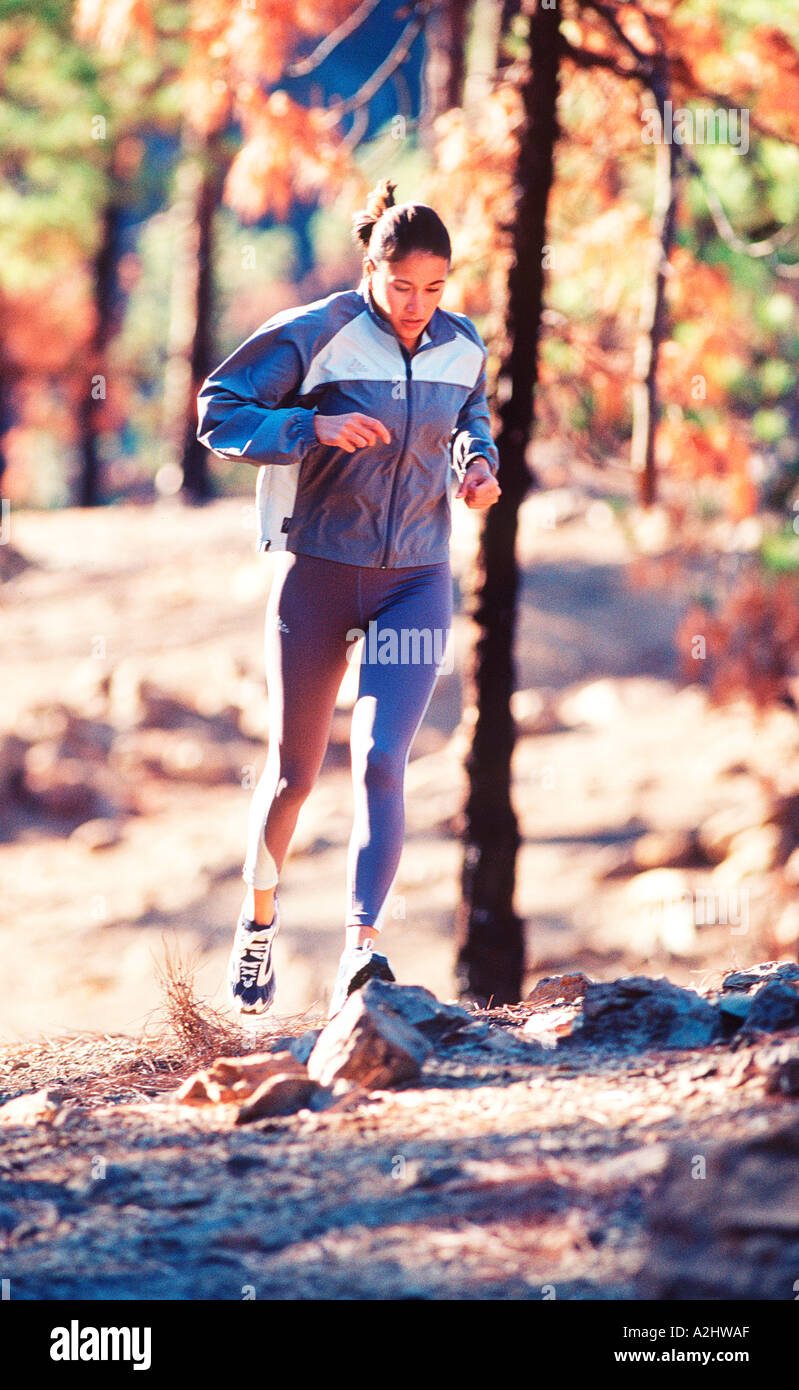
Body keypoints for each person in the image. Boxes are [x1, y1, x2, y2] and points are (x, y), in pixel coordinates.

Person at [196, 177, 501, 1023]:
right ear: (370, 267)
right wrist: (309, 428)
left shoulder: (461, 344)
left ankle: (359, 954)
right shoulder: (317, 333)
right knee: (295, 773)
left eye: (434, 289)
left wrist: (476, 466)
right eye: (401, 286)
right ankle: (258, 922)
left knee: (380, 760)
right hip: (321, 573)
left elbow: (469, 418)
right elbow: (217, 412)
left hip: (415, 578)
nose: (416, 305)